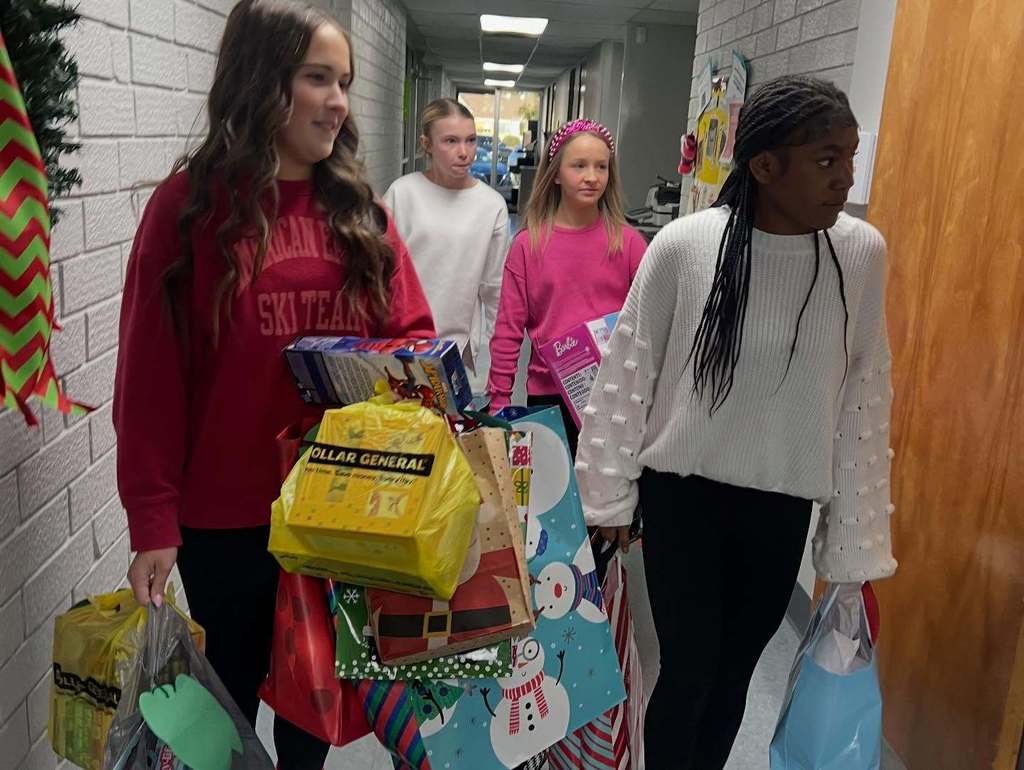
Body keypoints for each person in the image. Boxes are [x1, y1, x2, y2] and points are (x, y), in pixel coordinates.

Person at [112, 2, 434, 768]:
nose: (338, 102)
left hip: (342, 505)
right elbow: (150, 378)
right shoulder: (188, 209)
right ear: (262, 83)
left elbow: (414, 333)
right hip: (226, 517)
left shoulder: (358, 211)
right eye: (317, 78)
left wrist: (393, 371)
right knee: (226, 700)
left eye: (345, 83)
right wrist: (151, 519)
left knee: (314, 697)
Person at [575, 76, 899, 769]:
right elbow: (628, 374)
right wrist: (606, 494)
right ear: (765, 167)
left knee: (732, 679)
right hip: (682, 497)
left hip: (780, 505)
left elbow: (864, 394)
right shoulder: (687, 246)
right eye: (825, 160)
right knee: (689, 670)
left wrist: (856, 536)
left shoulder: (860, 254)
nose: (845, 179)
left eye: (849, 157)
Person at [486, 119, 647, 455]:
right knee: (553, 497)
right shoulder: (528, 246)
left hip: (612, 395)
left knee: (605, 501)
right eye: (579, 166)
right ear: (556, 173)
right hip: (548, 395)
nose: (592, 176)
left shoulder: (629, 244)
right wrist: (498, 400)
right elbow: (507, 331)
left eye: (601, 166)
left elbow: (648, 327)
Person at [383, 98, 509, 380]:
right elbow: (379, 276)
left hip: (457, 355)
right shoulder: (402, 193)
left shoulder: (492, 206)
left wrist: (497, 369)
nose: (464, 152)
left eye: (471, 140)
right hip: (400, 349)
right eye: (450, 141)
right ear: (426, 143)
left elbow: (495, 292)